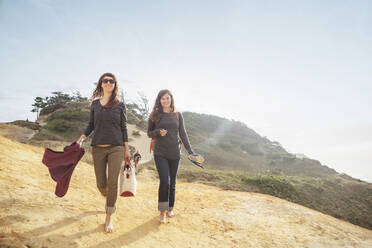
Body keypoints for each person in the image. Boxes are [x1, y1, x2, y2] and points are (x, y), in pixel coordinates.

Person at [77, 72, 130, 233]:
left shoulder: (120, 104)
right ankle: (109, 198)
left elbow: (124, 128)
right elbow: (91, 124)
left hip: (117, 147)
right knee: (101, 184)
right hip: (98, 148)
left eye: (111, 81)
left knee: (112, 183)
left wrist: (127, 150)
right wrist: (82, 137)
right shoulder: (95, 104)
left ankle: (109, 217)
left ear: (115, 85)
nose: (108, 83)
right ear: (101, 84)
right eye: (105, 81)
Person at [147, 89, 194, 224]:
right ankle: (162, 212)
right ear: (159, 100)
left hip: (175, 153)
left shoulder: (177, 115)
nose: (165, 101)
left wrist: (190, 151)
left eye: (167, 98)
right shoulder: (154, 115)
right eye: (163, 99)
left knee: (172, 183)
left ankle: (170, 208)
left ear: (171, 99)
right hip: (160, 152)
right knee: (165, 182)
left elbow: (183, 134)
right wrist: (157, 132)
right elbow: (149, 133)